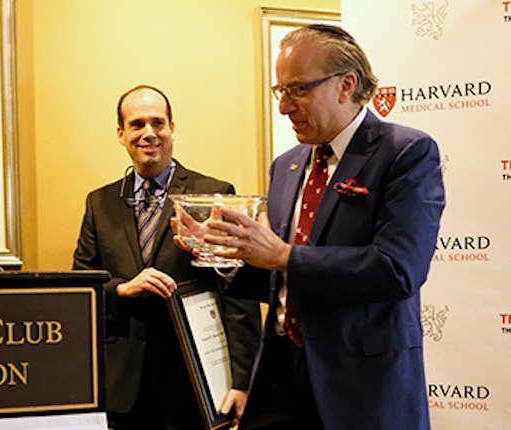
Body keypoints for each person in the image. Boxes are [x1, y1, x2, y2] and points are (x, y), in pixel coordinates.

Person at [176, 25, 445, 430]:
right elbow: (278, 279)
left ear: (346, 85)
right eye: (280, 90)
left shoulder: (405, 153)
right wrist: (226, 255)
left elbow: (397, 270)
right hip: (280, 379)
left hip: (361, 388)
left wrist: (282, 255)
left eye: (298, 89)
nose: (284, 107)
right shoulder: (286, 165)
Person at [73, 85, 260, 429]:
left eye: (158, 123)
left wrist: (242, 381)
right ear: (121, 134)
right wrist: (121, 290)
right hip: (121, 388)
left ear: (172, 128)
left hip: (194, 385)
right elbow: (81, 289)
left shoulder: (213, 197)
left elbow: (238, 296)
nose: (149, 133)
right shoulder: (99, 204)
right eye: (137, 124)